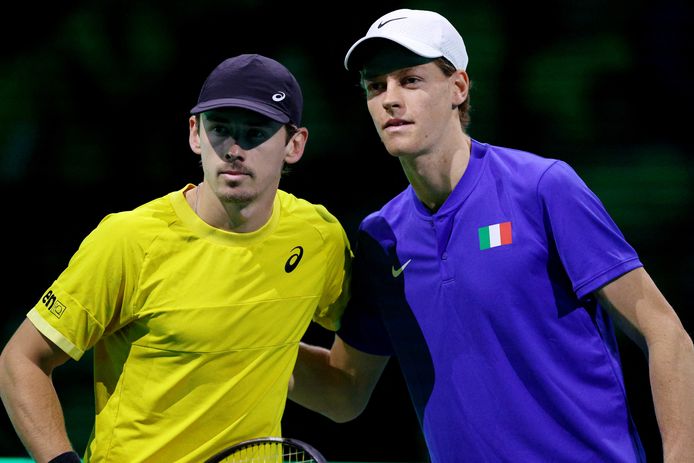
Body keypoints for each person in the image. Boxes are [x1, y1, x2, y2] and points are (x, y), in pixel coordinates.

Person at [288, 9, 694, 462]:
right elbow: (343, 391)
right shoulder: (382, 238)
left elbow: (665, 332)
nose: (390, 99)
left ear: (458, 88)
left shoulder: (542, 187)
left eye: (410, 80)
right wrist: (245, 345)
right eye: (375, 86)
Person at [0, 53, 352, 463]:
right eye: (220, 129)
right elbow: (20, 360)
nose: (234, 149)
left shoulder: (318, 238)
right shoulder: (129, 240)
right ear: (195, 134)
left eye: (255, 132)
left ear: (294, 145)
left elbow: (352, 368)